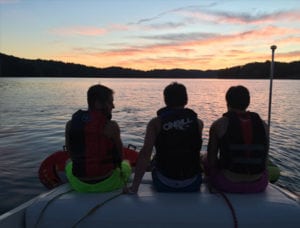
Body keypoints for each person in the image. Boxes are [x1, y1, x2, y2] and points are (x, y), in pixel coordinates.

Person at [125, 82, 204, 193]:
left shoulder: (155, 123)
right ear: (186, 100)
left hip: (163, 183)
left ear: (165, 100)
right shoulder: (198, 123)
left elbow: (145, 154)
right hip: (192, 184)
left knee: (153, 158)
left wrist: (134, 188)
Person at [65, 84, 131, 192]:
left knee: (68, 162)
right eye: (110, 102)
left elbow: (70, 153)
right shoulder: (112, 126)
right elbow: (120, 156)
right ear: (98, 104)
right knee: (126, 163)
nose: (113, 106)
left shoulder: (70, 124)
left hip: (79, 184)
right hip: (108, 183)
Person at [205, 85, 269, 193]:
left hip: (227, 183)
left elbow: (212, 160)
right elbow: (265, 156)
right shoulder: (263, 125)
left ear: (227, 102)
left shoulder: (219, 124)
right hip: (259, 184)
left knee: (204, 158)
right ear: (248, 102)